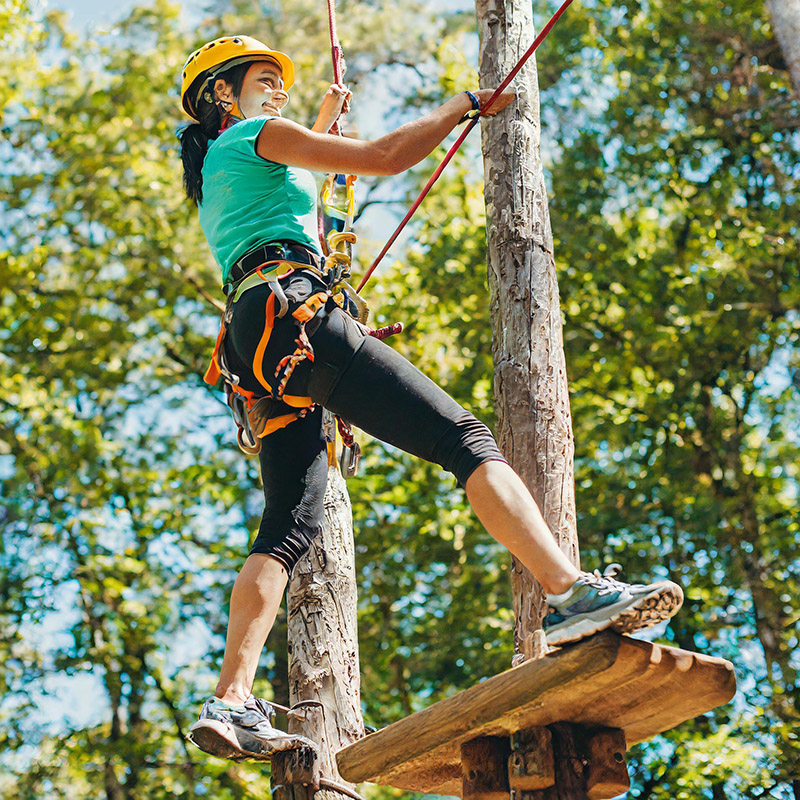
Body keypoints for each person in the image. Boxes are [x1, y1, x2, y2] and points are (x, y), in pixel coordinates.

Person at [178, 35, 684, 762]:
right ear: (224, 96)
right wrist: (462, 106)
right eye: (265, 79)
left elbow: (289, 196)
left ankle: (231, 700)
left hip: (253, 342)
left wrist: (320, 122)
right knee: (464, 440)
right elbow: (384, 159)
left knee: (289, 524)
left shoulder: (225, 166)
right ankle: (570, 593)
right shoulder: (257, 136)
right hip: (295, 312)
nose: (277, 91)